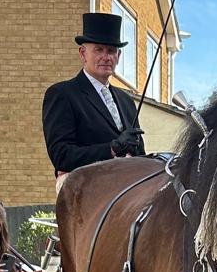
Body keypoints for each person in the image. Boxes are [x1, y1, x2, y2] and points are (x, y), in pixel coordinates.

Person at [42, 11, 146, 178]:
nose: (106, 57)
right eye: (99, 50)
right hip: (86, 191)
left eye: (111, 51)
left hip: (128, 189)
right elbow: (61, 156)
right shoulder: (62, 94)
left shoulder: (126, 101)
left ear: (118, 56)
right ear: (83, 53)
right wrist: (112, 149)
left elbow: (140, 153)